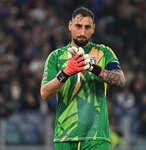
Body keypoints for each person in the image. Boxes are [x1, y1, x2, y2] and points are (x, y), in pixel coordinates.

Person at [40, 7, 125, 150]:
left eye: (87, 27)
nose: (82, 32)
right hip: (64, 136)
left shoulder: (104, 52)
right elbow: (45, 93)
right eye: (78, 26)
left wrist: (93, 68)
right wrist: (66, 72)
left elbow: (121, 81)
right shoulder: (55, 57)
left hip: (97, 137)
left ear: (93, 28)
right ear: (70, 26)